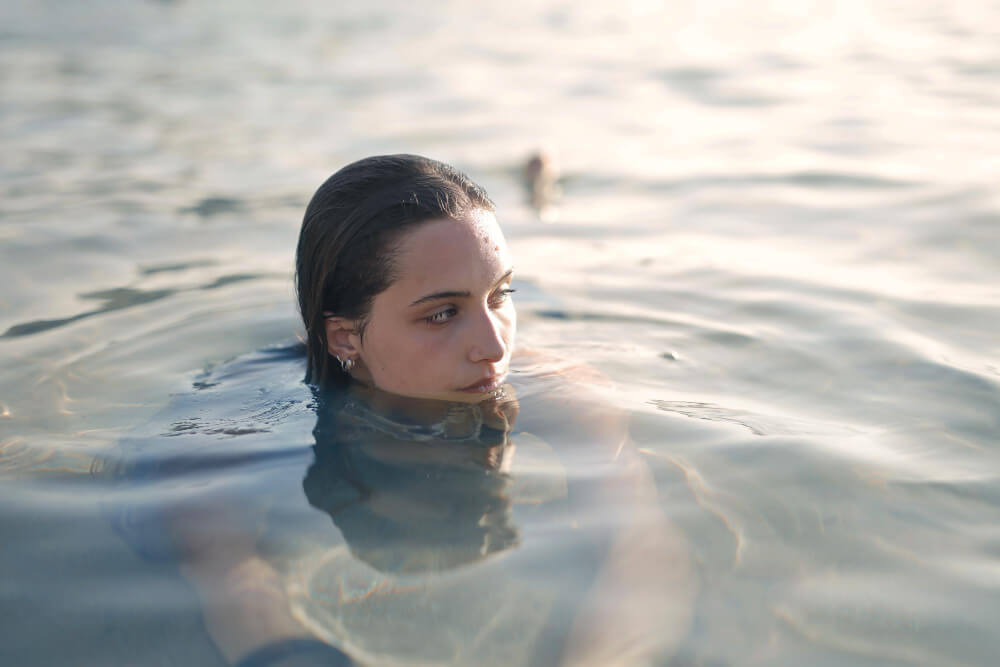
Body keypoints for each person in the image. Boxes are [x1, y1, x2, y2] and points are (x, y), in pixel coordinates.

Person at [137, 155, 693, 666]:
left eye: (501, 296)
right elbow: (231, 579)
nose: (494, 347)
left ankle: (538, 194)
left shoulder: (560, 393)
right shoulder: (230, 419)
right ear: (344, 337)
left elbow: (641, 550)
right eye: (441, 314)